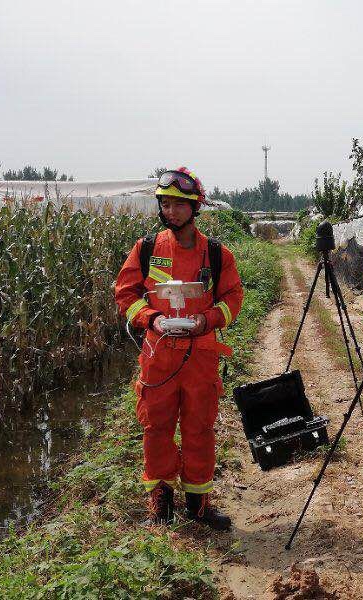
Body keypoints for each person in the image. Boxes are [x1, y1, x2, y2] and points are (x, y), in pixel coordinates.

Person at [115, 167, 243, 529]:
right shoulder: (147, 249)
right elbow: (126, 293)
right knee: (156, 428)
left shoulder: (217, 255)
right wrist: (151, 318)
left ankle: (198, 504)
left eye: (178, 204)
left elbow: (233, 296)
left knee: (199, 429)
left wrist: (208, 320)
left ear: (195, 207)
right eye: (165, 204)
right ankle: (161, 503)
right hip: (158, 356)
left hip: (200, 355)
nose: (170, 211)